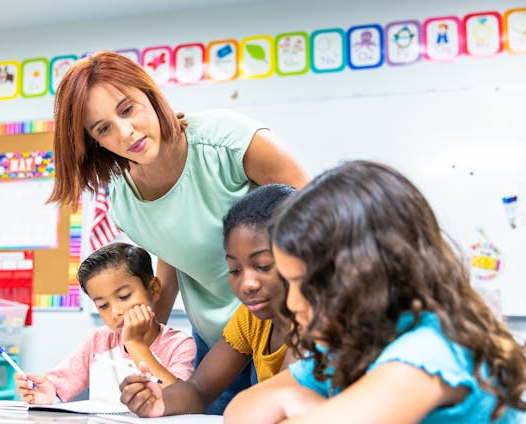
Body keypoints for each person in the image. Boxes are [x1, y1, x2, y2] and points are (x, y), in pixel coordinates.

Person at [48, 50, 308, 413]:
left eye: (127, 109)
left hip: (288, 324)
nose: (125, 132)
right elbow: (171, 260)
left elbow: (317, 218)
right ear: (95, 142)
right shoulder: (123, 201)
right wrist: (148, 344)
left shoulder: (227, 140)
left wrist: (313, 314)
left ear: (151, 95)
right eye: (103, 128)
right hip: (221, 341)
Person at [224, 161, 526, 423]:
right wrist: (296, 402)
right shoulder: (349, 346)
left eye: (308, 285)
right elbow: (240, 410)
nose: (292, 303)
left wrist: (299, 407)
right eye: (289, 283)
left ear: (366, 276)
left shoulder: (431, 349)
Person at [120, 184, 296, 416]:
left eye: (263, 266)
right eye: (234, 270)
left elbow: (282, 400)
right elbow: (199, 389)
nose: (247, 284)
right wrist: (159, 401)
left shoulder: (316, 321)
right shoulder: (251, 320)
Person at [14, 242, 195, 404]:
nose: (116, 312)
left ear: (153, 289)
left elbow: (179, 399)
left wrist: (135, 343)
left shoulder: (179, 344)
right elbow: (59, 384)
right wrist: (48, 392)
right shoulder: (99, 341)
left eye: (124, 296)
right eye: (103, 305)